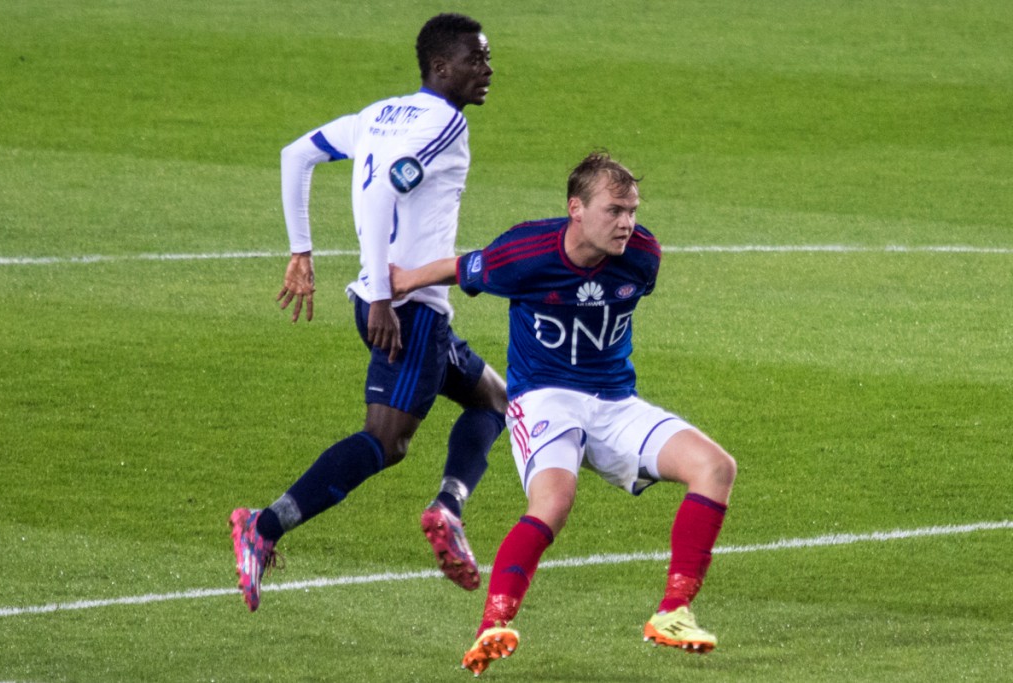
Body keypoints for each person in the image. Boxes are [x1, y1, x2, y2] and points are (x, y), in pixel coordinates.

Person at [390, 152, 738, 675]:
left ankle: (673, 612)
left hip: (616, 402)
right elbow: (465, 268)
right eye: (614, 210)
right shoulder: (526, 252)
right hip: (544, 399)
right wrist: (403, 282)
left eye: (633, 210)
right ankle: (493, 626)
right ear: (576, 208)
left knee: (716, 468)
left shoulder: (643, 255)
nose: (627, 223)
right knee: (554, 500)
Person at [229, 13, 508, 612]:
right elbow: (384, 192)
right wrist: (384, 294)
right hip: (407, 311)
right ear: (441, 67)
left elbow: (295, 154)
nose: (488, 70)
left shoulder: (378, 115)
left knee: (492, 398)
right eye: (476, 59)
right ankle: (264, 526)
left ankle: (449, 509)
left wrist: (302, 250)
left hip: (389, 303)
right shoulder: (445, 124)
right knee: (387, 440)